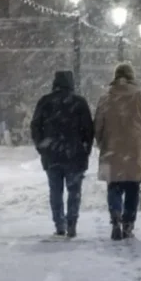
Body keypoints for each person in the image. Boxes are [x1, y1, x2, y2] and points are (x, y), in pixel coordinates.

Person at [94, 62, 141, 241]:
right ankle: (128, 224)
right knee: (133, 187)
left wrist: (102, 143)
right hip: (136, 150)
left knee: (114, 186)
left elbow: (98, 125)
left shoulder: (106, 98)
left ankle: (115, 215)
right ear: (132, 76)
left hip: (112, 148)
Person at [30, 70, 94, 238]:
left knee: (55, 190)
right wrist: (85, 149)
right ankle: (72, 223)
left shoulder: (45, 102)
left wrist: (42, 147)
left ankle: (59, 224)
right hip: (75, 154)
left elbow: (35, 126)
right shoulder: (79, 103)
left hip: (52, 155)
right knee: (74, 190)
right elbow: (88, 129)